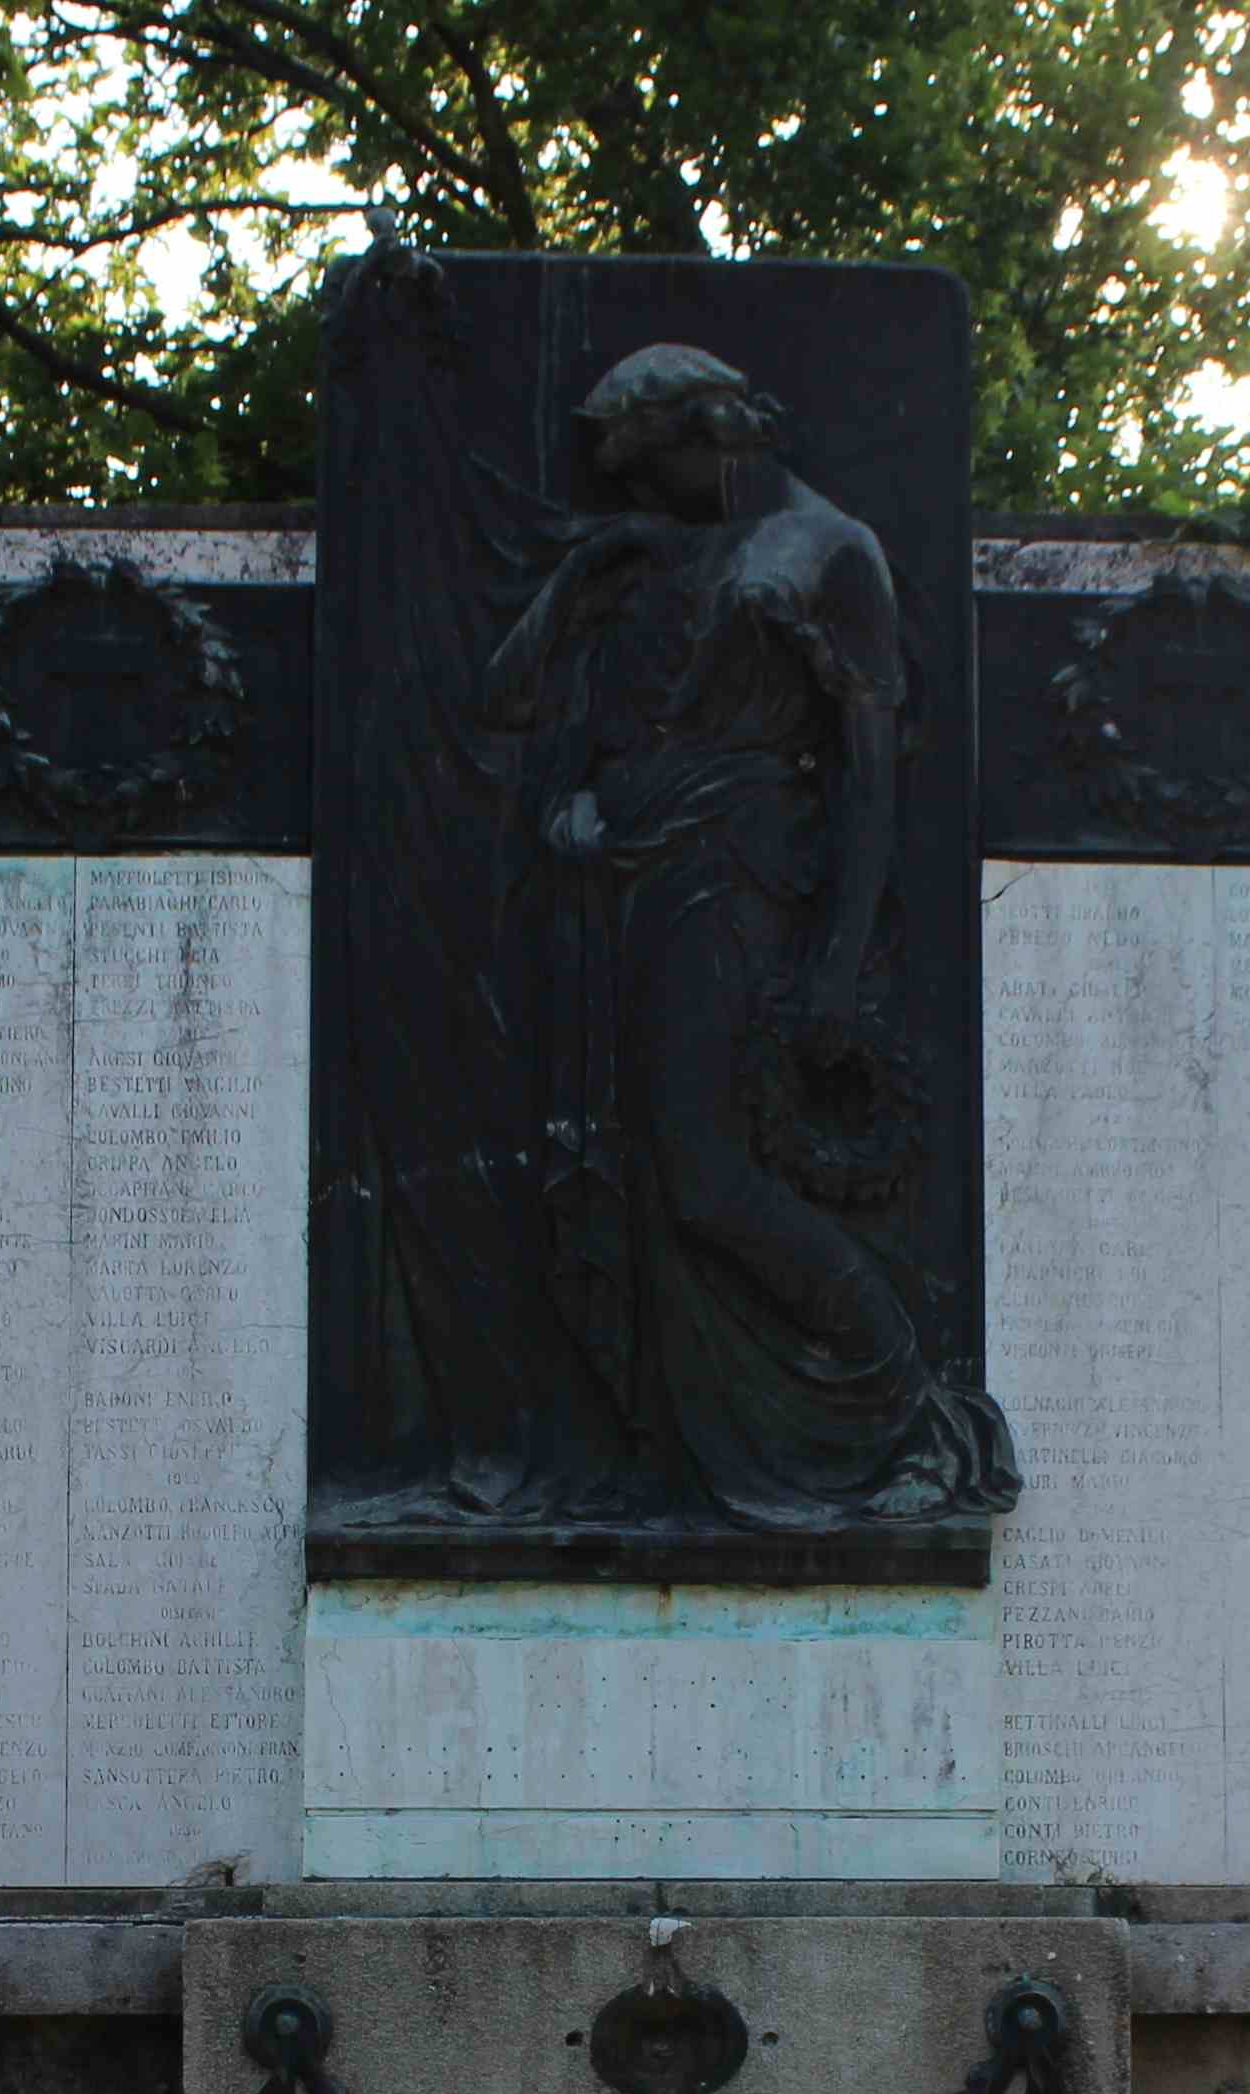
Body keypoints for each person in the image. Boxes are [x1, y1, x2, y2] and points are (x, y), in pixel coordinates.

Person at [477, 344, 1017, 1531]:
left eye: (649, 461)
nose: (636, 489)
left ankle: (899, 1396)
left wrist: (833, 965)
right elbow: (530, 705)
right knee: (637, 1173)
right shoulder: (670, 552)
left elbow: (871, 782)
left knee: (708, 1179)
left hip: (742, 888)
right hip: (639, 885)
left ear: (713, 424)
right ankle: (666, 1442)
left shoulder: (831, 554)